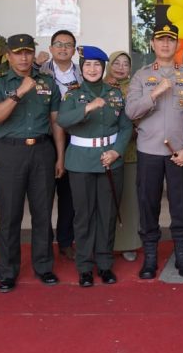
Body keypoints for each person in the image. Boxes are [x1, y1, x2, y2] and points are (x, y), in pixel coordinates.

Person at [0, 34, 66, 293]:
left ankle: (44, 266)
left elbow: (56, 121)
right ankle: (8, 271)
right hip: (11, 153)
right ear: (8, 56)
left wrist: (60, 156)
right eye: (18, 53)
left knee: (43, 213)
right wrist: (19, 92)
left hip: (42, 151)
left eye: (28, 52)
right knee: (10, 215)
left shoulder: (48, 82)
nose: (24, 58)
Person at [125, 24, 183, 280]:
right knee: (148, 205)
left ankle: (182, 255)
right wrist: (155, 93)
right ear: (152, 44)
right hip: (149, 151)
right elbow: (131, 112)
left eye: (170, 40)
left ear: (177, 44)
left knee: (180, 205)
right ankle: (150, 256)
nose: (166, 44)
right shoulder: (141, 76)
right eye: (161, 40)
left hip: (178, 154)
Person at [56, 45, 133, 287]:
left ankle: (105, 264)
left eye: (97, 65)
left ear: (103, 68)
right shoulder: (72, 94)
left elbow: (126, 126)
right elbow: (63, 120)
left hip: (110, 159)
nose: (92, 69)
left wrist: (116, 151)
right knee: (84, 216)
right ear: (82, 68)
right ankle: (85, 267)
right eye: (87, 65)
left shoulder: (115, 93)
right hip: (81, 161)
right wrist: (88, 107)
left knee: (107, 214)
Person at [38, 29, 79, 261]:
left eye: (68, 44)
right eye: (59, 44)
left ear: (74, 49)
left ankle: (65, 240)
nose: (63, 48)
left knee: (69, 195)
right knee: (43, 195)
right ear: (51, 48)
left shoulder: (83, 72)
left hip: (74, 139)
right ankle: (44, 245)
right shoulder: (38, 71)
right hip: (45, 138)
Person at [106, 50, 140, 262]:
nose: (120, 67)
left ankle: (128, 243)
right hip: (102, 153)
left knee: (128, 201)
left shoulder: (135, 87)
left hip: (129, 152)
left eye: (125, 64)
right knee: (105, 201)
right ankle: (104, 244)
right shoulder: (99, 86)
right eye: (116, 63)